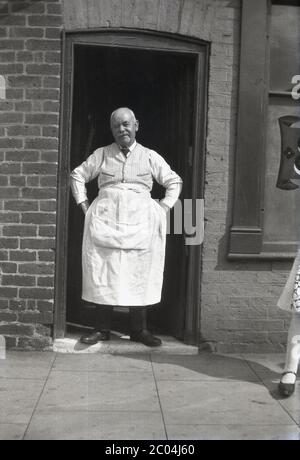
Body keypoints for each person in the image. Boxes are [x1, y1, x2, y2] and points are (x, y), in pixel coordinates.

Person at [70, 107, 183, 347]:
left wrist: (163, 208)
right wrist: (85, 205)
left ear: (136, 125)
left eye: (126, 124)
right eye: (116, 126)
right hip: (106, 221)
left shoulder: (150, 156)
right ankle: (101, 329)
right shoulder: (101, 154)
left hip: (140, 223)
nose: (121, 129)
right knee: (103, 270)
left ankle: (138, 330)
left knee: (138, 272)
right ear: (111, 130)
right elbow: (77, 175)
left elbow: (174, 181)